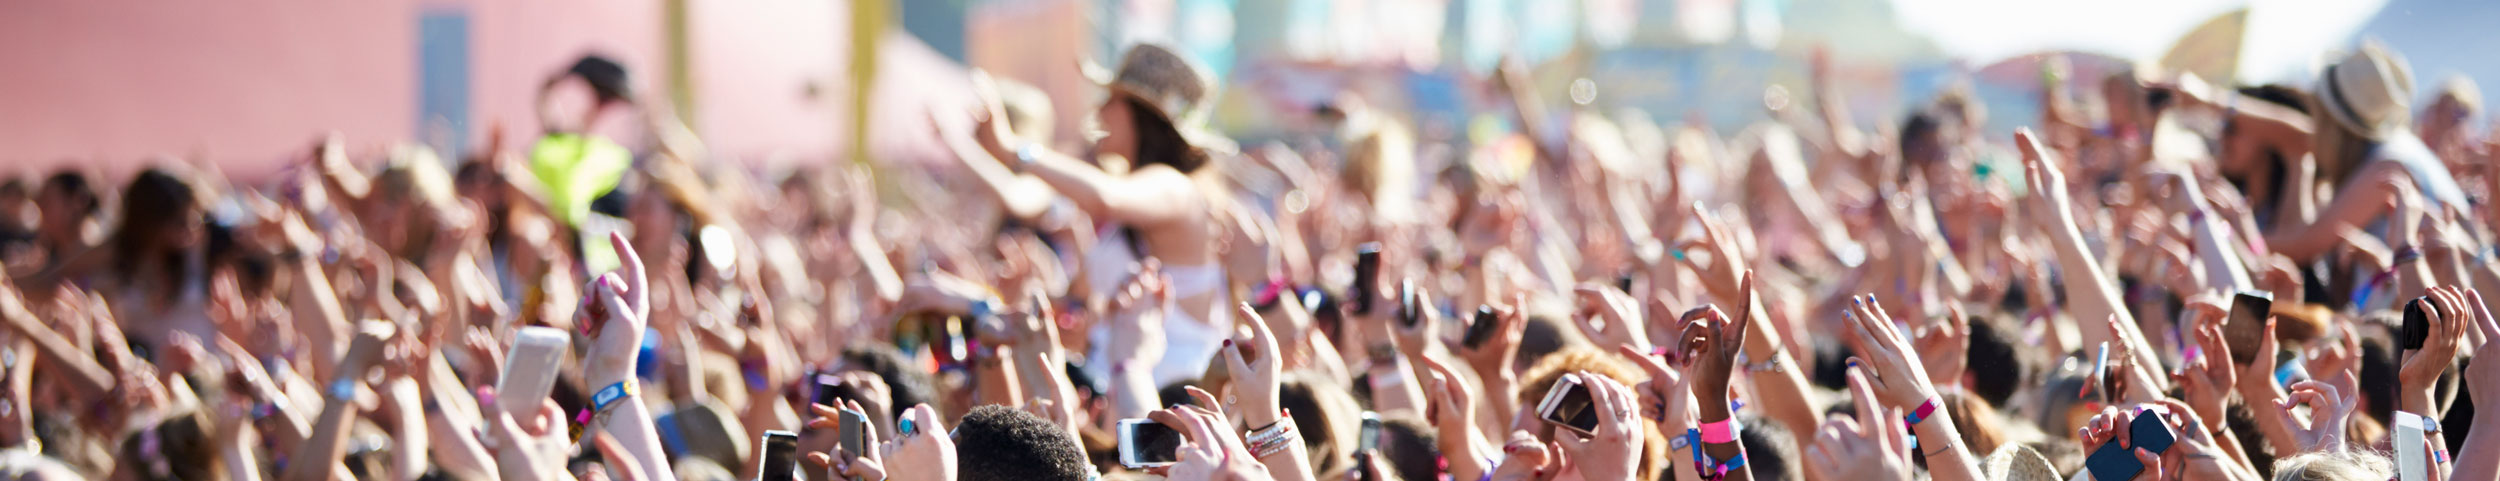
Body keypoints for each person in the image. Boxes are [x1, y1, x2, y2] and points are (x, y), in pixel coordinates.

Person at [956, 42, 1234, 387]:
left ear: (1140, 115)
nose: (1099, 110)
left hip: (1171, 411)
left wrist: (1012, 149)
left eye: (1112, 99)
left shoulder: (1176, 187)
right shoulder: (1145, 196)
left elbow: (1103, 198)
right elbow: (1085, 300)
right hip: (1123, 394)